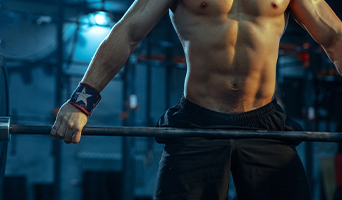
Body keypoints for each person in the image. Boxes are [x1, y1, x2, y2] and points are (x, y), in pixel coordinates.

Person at [50, 0, 341, 199]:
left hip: (265, 125)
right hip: (198, 123)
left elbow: (335, 37)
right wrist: (81, 102)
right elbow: (128, 32)